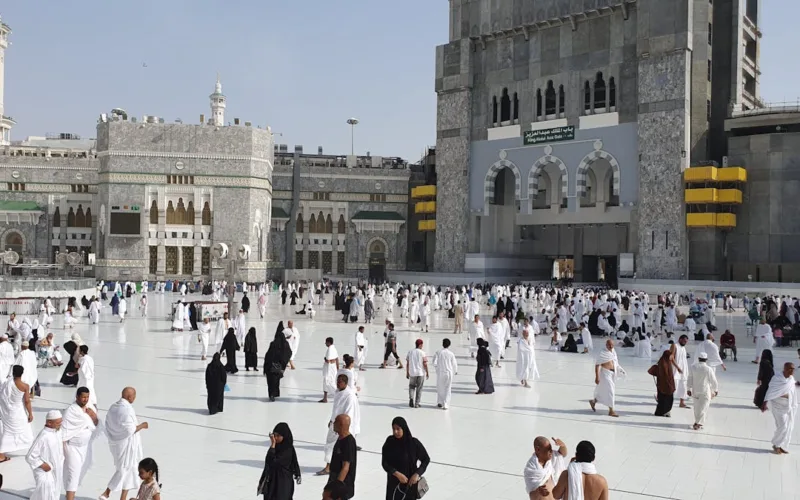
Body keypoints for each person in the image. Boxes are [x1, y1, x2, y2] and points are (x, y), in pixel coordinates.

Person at [99, 387, 148, 500]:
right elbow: (130, 430)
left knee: (130, 470)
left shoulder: (113, 407)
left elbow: (108, 424)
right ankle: (106, 493)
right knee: (123, 470)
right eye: (134, 396)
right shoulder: (126, 409)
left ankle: (123, 497)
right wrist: (143, 425)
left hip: (116, 443)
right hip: (126, 445)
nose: (135, 398)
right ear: (130, 397)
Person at [318, 374, 361, 477]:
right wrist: (331, 420)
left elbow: (348, 414)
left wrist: (341, 427)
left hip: (342, 426)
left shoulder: (349, 396)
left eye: (340, 382)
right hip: (335, 423)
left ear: (345, 383)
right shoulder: (338, 392)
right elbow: (336, 408)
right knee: (329, 444)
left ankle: (331, 467)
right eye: (337, 381)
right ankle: (329, 466)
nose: (337, 383)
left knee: (339, 447)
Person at [62, 387, 100, 500]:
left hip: (84, 448)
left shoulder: (90, 408)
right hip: (72, 448)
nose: (85, 399)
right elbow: (64, 431)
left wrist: (93, 416)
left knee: (79, 472)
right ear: (77, 397)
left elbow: (96, 424)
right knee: (72, 474)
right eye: (83, 397)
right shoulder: (71, 411)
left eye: (87, 397)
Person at [380, 416, 430, 500]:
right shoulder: (390, 442)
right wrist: (397, 474)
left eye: (398, 429)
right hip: (394, 485)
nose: (395, 432)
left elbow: (426, 459)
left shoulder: (413, 443)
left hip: (410, 485)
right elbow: (385, 463)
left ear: (404, 428)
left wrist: (417, 474)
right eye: (393, 429)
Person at [25, 410, 64, 500]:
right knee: (45, 495)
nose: (60, 424)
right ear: (49, 422)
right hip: (46, 472)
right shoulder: (44, 436)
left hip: (57, 470)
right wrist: (43, 465)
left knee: (55, 492)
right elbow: (29, 456)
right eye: (58, 422)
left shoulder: (57, 432)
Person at [0, 365, 34, 463]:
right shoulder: (25, 386)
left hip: (6, 411)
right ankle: (1, 454)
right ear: (22, 373)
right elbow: (27, 401)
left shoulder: (6, 383)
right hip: (17, 411)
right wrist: (30, 414)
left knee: (7, 430)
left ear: (13, 372)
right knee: (22, 428)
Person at [258, 422, 301, 500]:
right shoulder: (275, 447)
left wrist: (273, 445)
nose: (275, 438)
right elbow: (268, 461)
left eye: (278, 436)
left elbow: (274, 462)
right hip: (272, 482)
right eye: (274, 435)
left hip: (283, 484)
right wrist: (273, 445)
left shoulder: (287, 449)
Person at [762, 362, 797, 454]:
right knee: (783, 426)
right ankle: (776, 444)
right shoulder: (776, 378)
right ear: (785, 369)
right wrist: (765, 403)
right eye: (790, 369)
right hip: (777, 406)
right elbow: (770, 391)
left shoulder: (791, 379)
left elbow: (792, 391)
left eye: (793, 369)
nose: (792, 371)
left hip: (788, 406)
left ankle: (780, 444)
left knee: (788, 426)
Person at [590, 339, 624, 417]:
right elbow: (597, 364)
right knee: (610, 391)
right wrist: (597, 377)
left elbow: (615, 362)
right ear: (606, 345)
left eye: (612, 345)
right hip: (605, 373)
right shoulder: (603, 353)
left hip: (613, 373)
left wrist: (620, 370)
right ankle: (611, 410)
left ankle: (593, 401)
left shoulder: (613, 352)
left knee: (603, 391)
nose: (611, 346)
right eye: (609, 345)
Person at [687, 352, 719, 430]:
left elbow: (690, 378)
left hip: (695, 390)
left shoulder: (693, 367)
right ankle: (697, 423)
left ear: (698, 359)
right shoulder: (708, 369)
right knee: (704, 407)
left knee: (697, 408)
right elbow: (713, 380)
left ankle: (700, 423)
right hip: (705, 391)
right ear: (706, 359)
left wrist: (688, 389)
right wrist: (715, 390)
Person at [328, 414, 357, 499]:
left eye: (335, 422)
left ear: (341, 425)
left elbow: (345, 467)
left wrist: (337, 486)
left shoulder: (348, 442)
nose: (333, 423)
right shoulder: (341, 437)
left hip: (342, 484)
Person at [264, 325, 293, 402]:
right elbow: (288, 353)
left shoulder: (273, 343)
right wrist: (282, 365)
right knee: (275, 381)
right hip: (277, 366)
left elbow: (268, 355)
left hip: (269, 366)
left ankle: (271, 395)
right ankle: (274, 394)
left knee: (270, 382)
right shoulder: (284, 345)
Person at [648, 349, 675, 417]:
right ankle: (664, 412)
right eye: (671, 356)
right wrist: (670, 384)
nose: (672, 357)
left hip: (663, 384)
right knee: (667, 399)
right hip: (666, 385)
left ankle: (662, 412)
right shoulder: (664, 363)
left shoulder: (665, 361)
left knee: (663, 399)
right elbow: (665, 375)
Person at [433, 338, 458, 410]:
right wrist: (455, 370)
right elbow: (454, 363)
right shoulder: (451, 353)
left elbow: (434, 362)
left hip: (441, 372)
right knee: (447, 388)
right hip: (449, 373)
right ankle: (446, 403)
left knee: (440, 387)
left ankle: (440, 402)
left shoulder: (438, 352)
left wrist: (437, 368)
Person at [406, 339, 429, 408]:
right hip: (420, 373)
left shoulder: (410, 352)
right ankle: (416, 403)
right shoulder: (422, 353)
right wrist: (427, 372)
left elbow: (408, 363)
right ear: (420, 345)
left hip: (412, 372)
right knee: (419, 388)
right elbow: (424, 363)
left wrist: (407, 372)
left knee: (411, 386)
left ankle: (411, 398)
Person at [320, 337, 339, 403]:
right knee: (327, 383)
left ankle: (340, 394)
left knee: (329, 383)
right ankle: (325, 398)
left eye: (326, 342)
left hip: (329, 369)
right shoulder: (334, 348)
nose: (325, 343)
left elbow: (328, 360)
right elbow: (336, 359)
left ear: (329, 342)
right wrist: (337, 368)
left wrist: (325, 359)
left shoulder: (330, 350)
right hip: (333, 368)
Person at [674, 335, 690, 408]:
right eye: (684, 341)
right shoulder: (675, 346)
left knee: (683, 387)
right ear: (680, 339)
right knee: (672, 387)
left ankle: (682, 403)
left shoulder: (683, 347)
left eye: (686, 342)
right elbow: (671, 358)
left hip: (683, 371)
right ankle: (662, 399)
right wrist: (677, 368)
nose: (685, 343)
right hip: (675, 371)